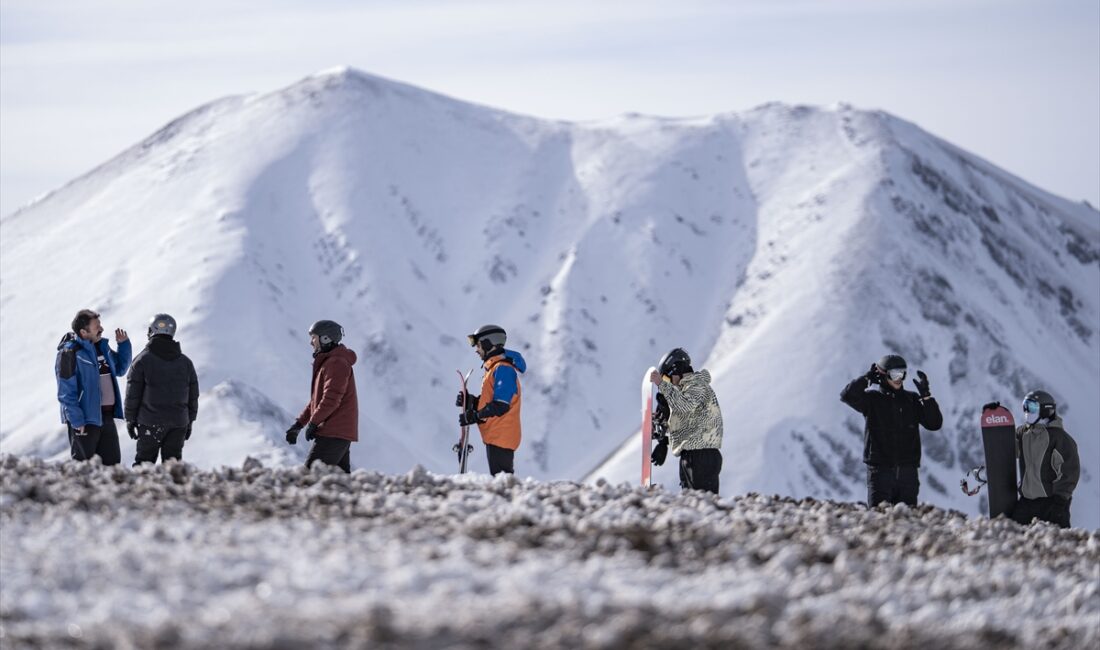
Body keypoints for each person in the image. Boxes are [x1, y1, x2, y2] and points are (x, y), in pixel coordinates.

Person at [840, 354, 943, 507]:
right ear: (882, 375)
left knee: (908, 521)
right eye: (894, 374)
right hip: (880, 473)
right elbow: (847, 396)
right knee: (878, 519)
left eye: (902, 373)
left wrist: (926, 397)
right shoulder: (872, 400)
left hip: (908, 474)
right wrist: (866, 379)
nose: (898, 378)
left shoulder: (912, 400)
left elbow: (934, 423)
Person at [54, 309, 132, 465]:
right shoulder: (69, 353)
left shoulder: (103, 348)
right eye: (97, 327)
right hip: (85, 421)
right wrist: (76, 420)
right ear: (84, 331)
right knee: (84, 468)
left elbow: (121, 369)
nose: (102, 329)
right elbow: (65, 391)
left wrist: (124, 345)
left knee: (113, 467)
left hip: (107, 418)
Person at [125, 314, 199, 465]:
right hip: (179, 423)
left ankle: (142, 489)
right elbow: (193, 396)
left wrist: (130, 419)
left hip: (149, 422)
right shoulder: (186, 363)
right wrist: (189, 421)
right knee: (173, 468)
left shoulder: (142, 361)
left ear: (151, 330)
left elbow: (133, 394)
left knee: (144, 465)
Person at [285, 320, 359, 473]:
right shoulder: (329, 362)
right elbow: (316, 401)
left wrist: (313, 423)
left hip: (333, 432)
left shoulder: (337, 363)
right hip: (336, 432)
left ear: (326, 339)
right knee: (340, 484)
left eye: (314, 337)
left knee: (310, 477)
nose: (311, 342)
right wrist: (299, 425)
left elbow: (331, 399)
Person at [647, 348, 724, 494]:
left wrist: (661, 384)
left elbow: (685, 406)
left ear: (678, 370)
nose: (667, 383)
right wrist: (662, 441)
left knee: (701, 502)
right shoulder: (683, 391)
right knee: (692, 501)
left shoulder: (697, 385)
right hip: (691, 456)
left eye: (667, 379)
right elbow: (681, 418)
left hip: (702, 456)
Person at [455, 325, 527, 475]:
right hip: (496, 435)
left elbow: (501, 405)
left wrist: (474, 416)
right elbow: (491, 402)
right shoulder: (494, 369)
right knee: (500, 480)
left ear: (488, 344)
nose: (476, 350)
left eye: (479, 345)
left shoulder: (503, 369)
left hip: (502, 436)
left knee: (503, 481)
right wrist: (471, 401)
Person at [1003, 391, 1080, 528]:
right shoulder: (1024, 433)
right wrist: (996, 419)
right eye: (1025, 406)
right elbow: (1008, 450)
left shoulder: (1060, 439)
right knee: (1012, 537)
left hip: (1051, 503)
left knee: (1056, 543)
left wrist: (1059, 502)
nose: (1027, 411)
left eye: (1031, 407)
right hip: (1027, 502)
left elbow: (1069, 472)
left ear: (1046, 410)